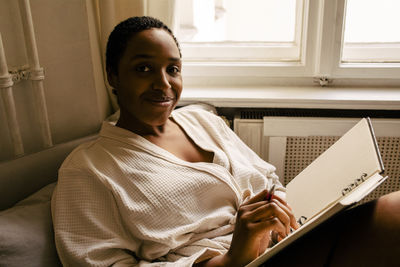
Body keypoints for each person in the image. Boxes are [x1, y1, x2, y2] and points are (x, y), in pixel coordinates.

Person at [51, 16, 400, 267]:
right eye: (144, 69)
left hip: (280, 243)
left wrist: (276, 206)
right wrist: (232, 256)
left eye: (172, 69)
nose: (164, 84)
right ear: (113, 75)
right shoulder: (88, 169)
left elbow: (268, 180)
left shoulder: (202, 121)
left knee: (393, 209)